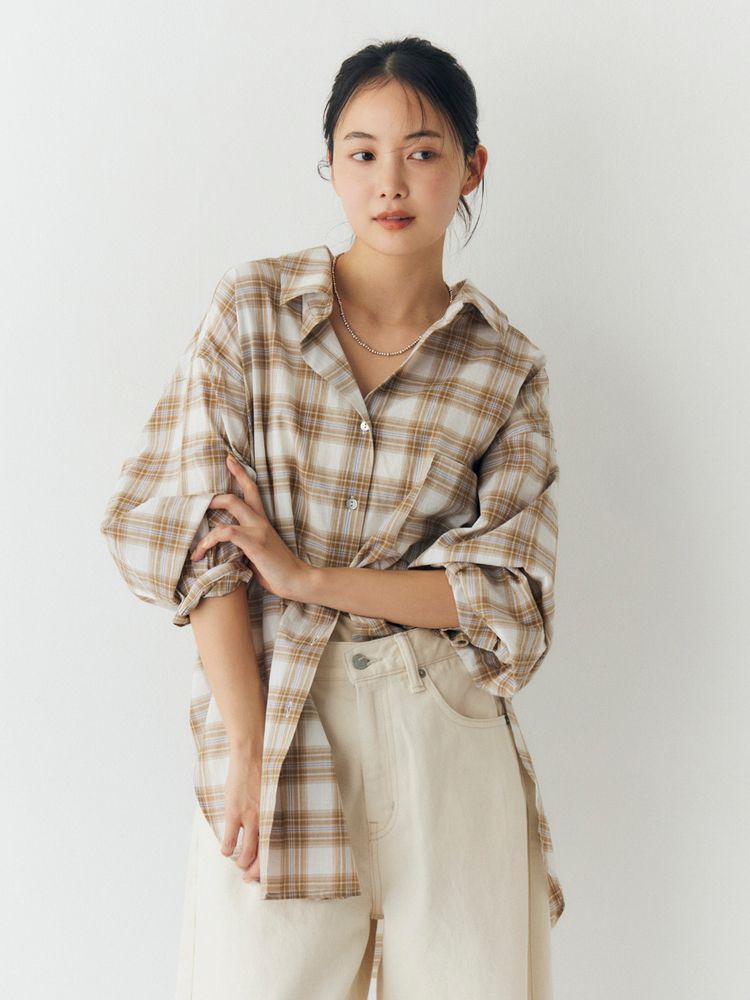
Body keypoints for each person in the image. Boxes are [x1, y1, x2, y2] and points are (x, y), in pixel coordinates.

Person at [100, 35, 564, 1000]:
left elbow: (508, 598)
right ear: (332, 165)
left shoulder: (504, 365)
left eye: (423, 152)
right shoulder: (254, 311)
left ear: (472, 167)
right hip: (277, 712)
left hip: (444, 726)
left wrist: (309, 579)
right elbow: (196, 538)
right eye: (363, 152)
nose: (391, 181)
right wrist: (245, 741)